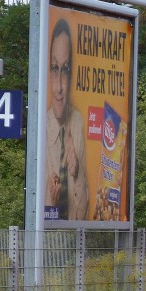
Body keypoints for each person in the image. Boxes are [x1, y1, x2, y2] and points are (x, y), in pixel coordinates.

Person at [44, 18, 89, 220]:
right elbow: (37, 213)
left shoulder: (78, 122)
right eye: (55, 69)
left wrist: (77, 172)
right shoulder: (40, 129)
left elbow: (85, 209)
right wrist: (51, 204)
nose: (60, 87)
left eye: (66, 69)